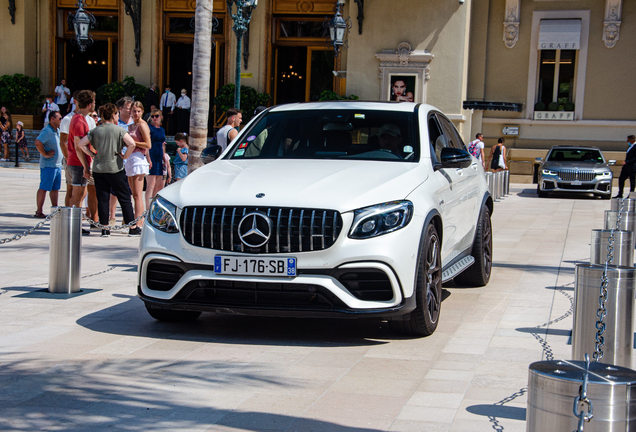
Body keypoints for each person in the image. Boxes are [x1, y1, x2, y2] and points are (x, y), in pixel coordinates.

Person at [77, 103, 138, 237]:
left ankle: (105, 227)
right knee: (124, 197)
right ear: (114, 115)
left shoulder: (96, 130)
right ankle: (132, 226)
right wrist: (124, 156)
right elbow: (132, 144)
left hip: (99, 168)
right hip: (115, 167)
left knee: (102, 197)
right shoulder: (119, 130)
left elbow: (81, 144)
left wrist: (92, 154)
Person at [65, 90, 96, 235]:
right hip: (77, 163)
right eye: (94, 102)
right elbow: (78, 147)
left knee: (81, 194)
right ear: (89, 104)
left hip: (78, 162)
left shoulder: (80, 119)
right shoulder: (78, 121)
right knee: (78, 195)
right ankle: (73, 226)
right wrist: (86, 166)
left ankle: (74, 224)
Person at [125, 101, 152, 235]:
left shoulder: (142, 125)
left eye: (138, 111)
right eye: (134, 111)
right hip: (129, 158)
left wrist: (133, 142)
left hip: (138, 158)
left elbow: (148, 144)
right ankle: (133, 221)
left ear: (142, 112)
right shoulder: (130, 126)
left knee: (137, 195)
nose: (136, 113)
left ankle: (139, 222)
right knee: (132, 194)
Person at [34, 111, 63, 218]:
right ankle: (39, 211)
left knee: (55, 189)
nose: (61, 120)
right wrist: (45, 154)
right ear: (52, 119)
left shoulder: (57, 130)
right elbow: (38, 142)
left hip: (57, 165)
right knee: (44, 187)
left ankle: (54, 209)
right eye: (59, 118)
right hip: (48, 165)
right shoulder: (47, 131)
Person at [146, 109, 166, 210]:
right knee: (151, 184)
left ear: (161, 117)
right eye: (152, 116)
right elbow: (147, 144)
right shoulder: (149, 128)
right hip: (151, 155)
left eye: (156, 116)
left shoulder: (162, 130)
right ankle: (147, 208)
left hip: (159, 157)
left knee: (159, 184)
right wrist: (148, 159)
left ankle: (154, 207)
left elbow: (163, 145)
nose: (154, 118)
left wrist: (165, 160)